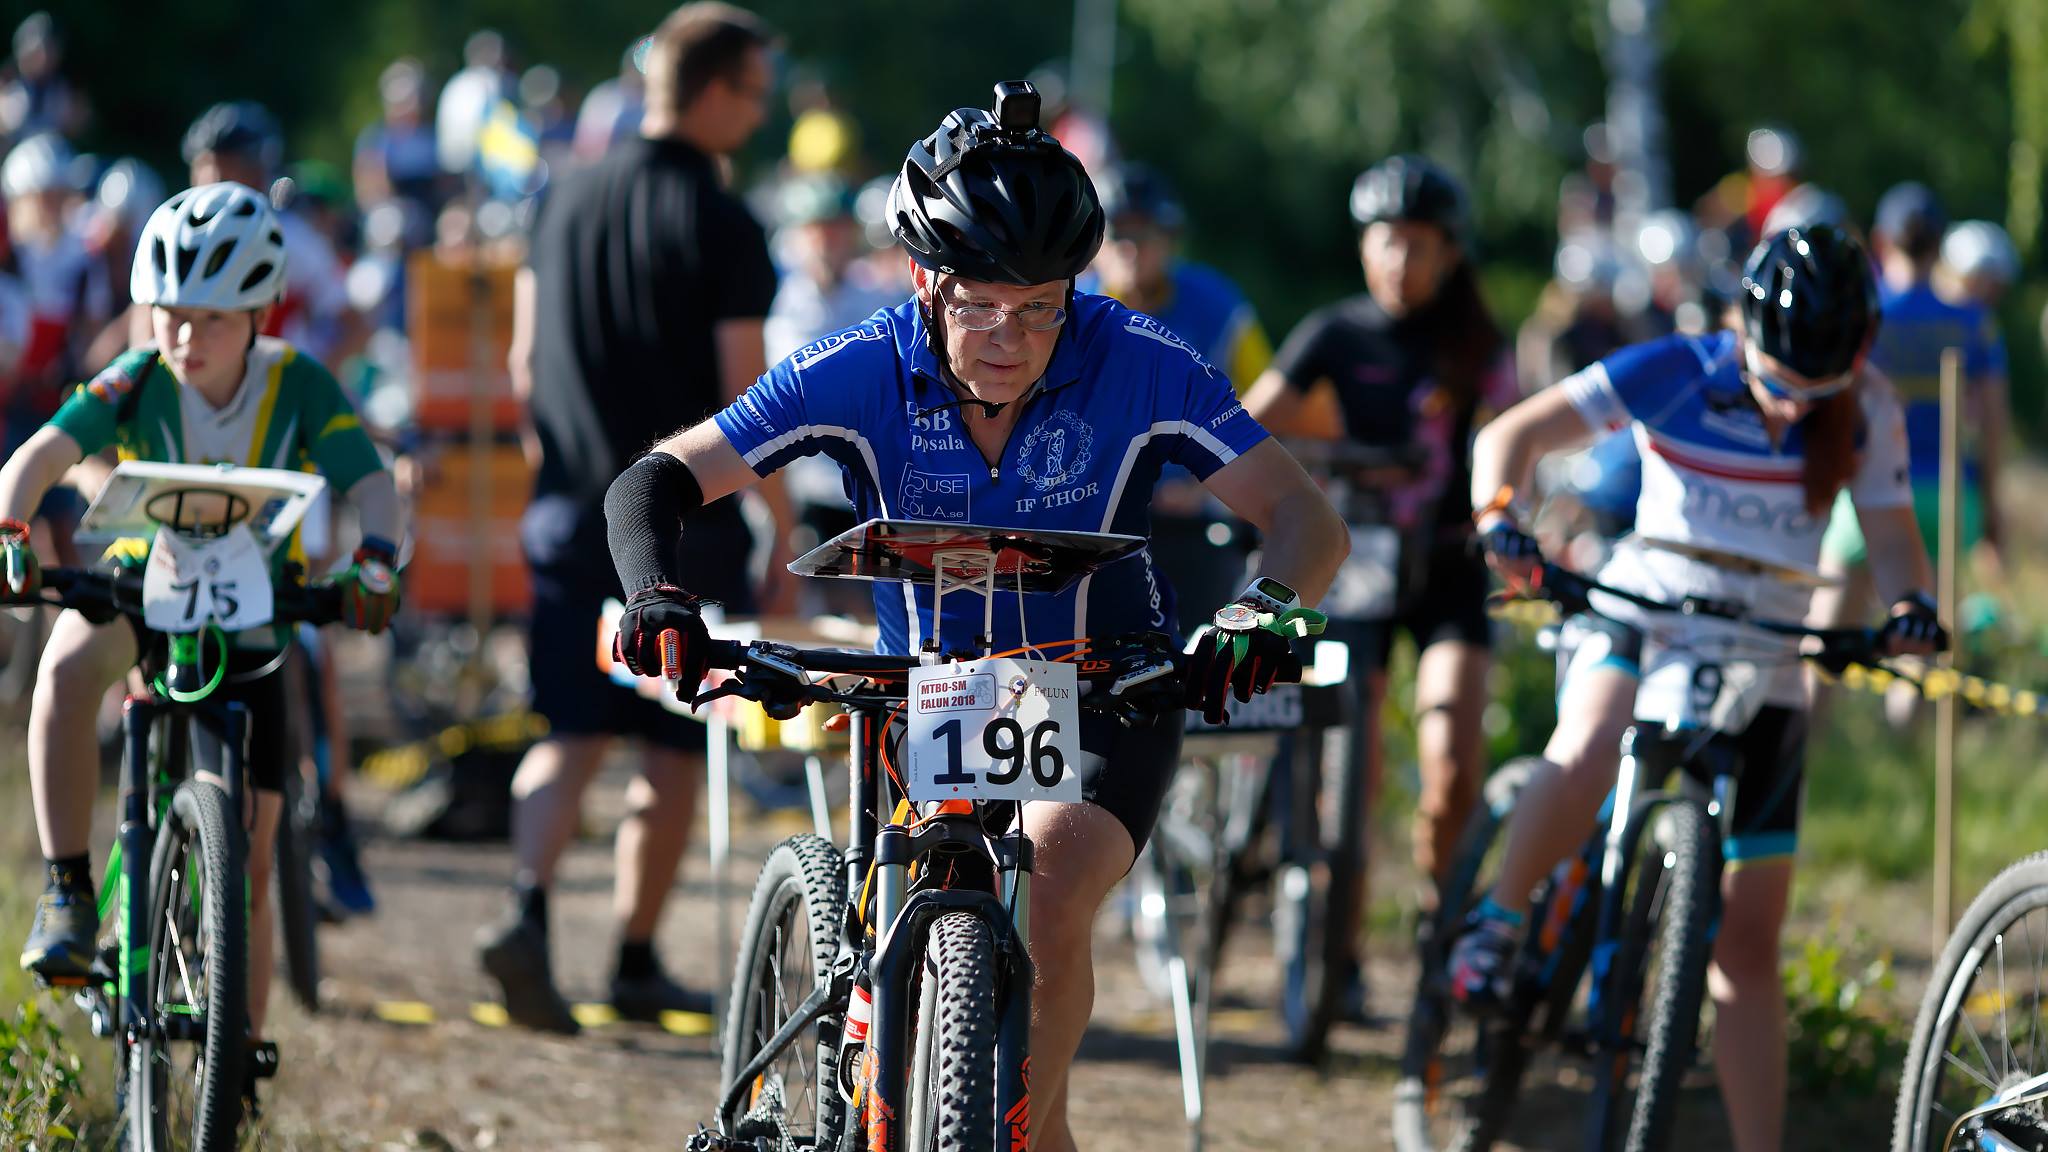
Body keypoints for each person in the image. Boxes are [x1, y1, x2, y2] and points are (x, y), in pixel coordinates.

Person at [603, 79, 1348, 1152]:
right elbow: (656, 480)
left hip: (1108, 686)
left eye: (1042, 305)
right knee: (912, 958)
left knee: (1045, 903)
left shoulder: (1137, 361)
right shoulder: (858, 364)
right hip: (928, 690)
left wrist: (1263, 610)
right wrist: (656, 592)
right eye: (979, 305)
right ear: (921, 278)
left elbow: (1301, 518)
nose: (1011, 335)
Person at [1447, 224, 1943, 1152]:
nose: (1796, 411)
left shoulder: (1870, 409)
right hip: (1646, 604)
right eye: (1778, 384)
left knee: (1750, 943)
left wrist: (1913, 604)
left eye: (1816, 391)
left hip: (1766, 645)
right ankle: (1498, 920)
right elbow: (1513, 435)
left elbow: (1893, 546)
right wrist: (1498, 517)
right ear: (1741, 331)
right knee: (1591, 743)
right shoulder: (1676, 366)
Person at [6, 182, 403, 1075]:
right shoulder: (137, 377)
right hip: (144, 591)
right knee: (67, 674)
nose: (184, 337)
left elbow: (369, 481)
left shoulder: (298, 382)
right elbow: (38, 456)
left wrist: (377, 555)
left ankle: (241, 1058)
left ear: (261, 309)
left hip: (257, 617)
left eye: (212, 318)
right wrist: (11, 526)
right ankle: (68, 887)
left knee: (254, 858)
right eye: (169, 314)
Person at [477, 0, 791, 1034]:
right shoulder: (722, 219)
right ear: (709, 92)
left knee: (567, 731)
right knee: (666, 748)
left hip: (568, 511)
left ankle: (525, 915)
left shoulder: (558, 197)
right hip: (677, 531)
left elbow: (525, 365)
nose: (759, 113)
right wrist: (779, 521)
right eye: (752, 92)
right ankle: (634, 957)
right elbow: (748, 398)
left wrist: (557, 476)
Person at [1241, 155, 1515, 1004]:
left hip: (1446, 570)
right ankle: (1341, 954)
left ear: (1450, 253)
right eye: (1387, 242)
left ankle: (1443, 937)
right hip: (1356, 564)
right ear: (1366, 247)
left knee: (1451, 761)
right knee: (1341, 778)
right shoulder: (1334, 332)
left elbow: (1512, 440)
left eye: (1421, 245)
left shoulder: (1477, 344)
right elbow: (1245, 429)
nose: (1402, 261)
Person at [1813, 182, 2006, 621]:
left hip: (1864, 488)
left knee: (1828, 640)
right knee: (1919, 644)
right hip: (1949, 492)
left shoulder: (1861, 311)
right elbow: (1994, 423)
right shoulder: (1974, 322)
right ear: (1940, 246)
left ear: (1881, 240)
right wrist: (1994, 512)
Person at [179, 101, 365, 369]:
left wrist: (314, 384)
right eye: (205, 165)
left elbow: (356, 326)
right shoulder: (178, 234)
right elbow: (147, 315)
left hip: (276, 389)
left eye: (228, 167)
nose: (214, 179)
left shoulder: (291, 238)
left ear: (258, 173)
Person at [1089, 162, 1272, 391]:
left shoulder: (1217, 306)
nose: (1131, 250)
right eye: (1117, 235)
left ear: (1170, 238)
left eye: (1143, 234)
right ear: (1092, 246)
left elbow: (1270, 398)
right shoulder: (1070, 313)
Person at [354, 58, 448, 214]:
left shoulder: (434, 136)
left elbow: (446, 184)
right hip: (390, 212)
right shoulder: (375, 138)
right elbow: (367, 190)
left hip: (432, 212)